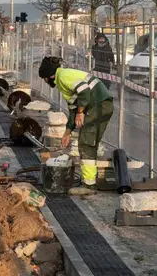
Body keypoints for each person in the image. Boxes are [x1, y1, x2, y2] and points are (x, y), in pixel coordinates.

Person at [38, 56, 114, 190]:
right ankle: (90, 179)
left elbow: (84, 91)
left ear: (49, 75)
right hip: (102, 105)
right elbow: (73, 109)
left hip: (98, 105)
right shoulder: (62, 80)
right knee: (91, 143)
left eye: (44, 78)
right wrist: (67, 132)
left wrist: (80, 112)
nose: (44, 81)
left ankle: (89, 183)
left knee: (85, 143)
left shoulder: (63, 76)